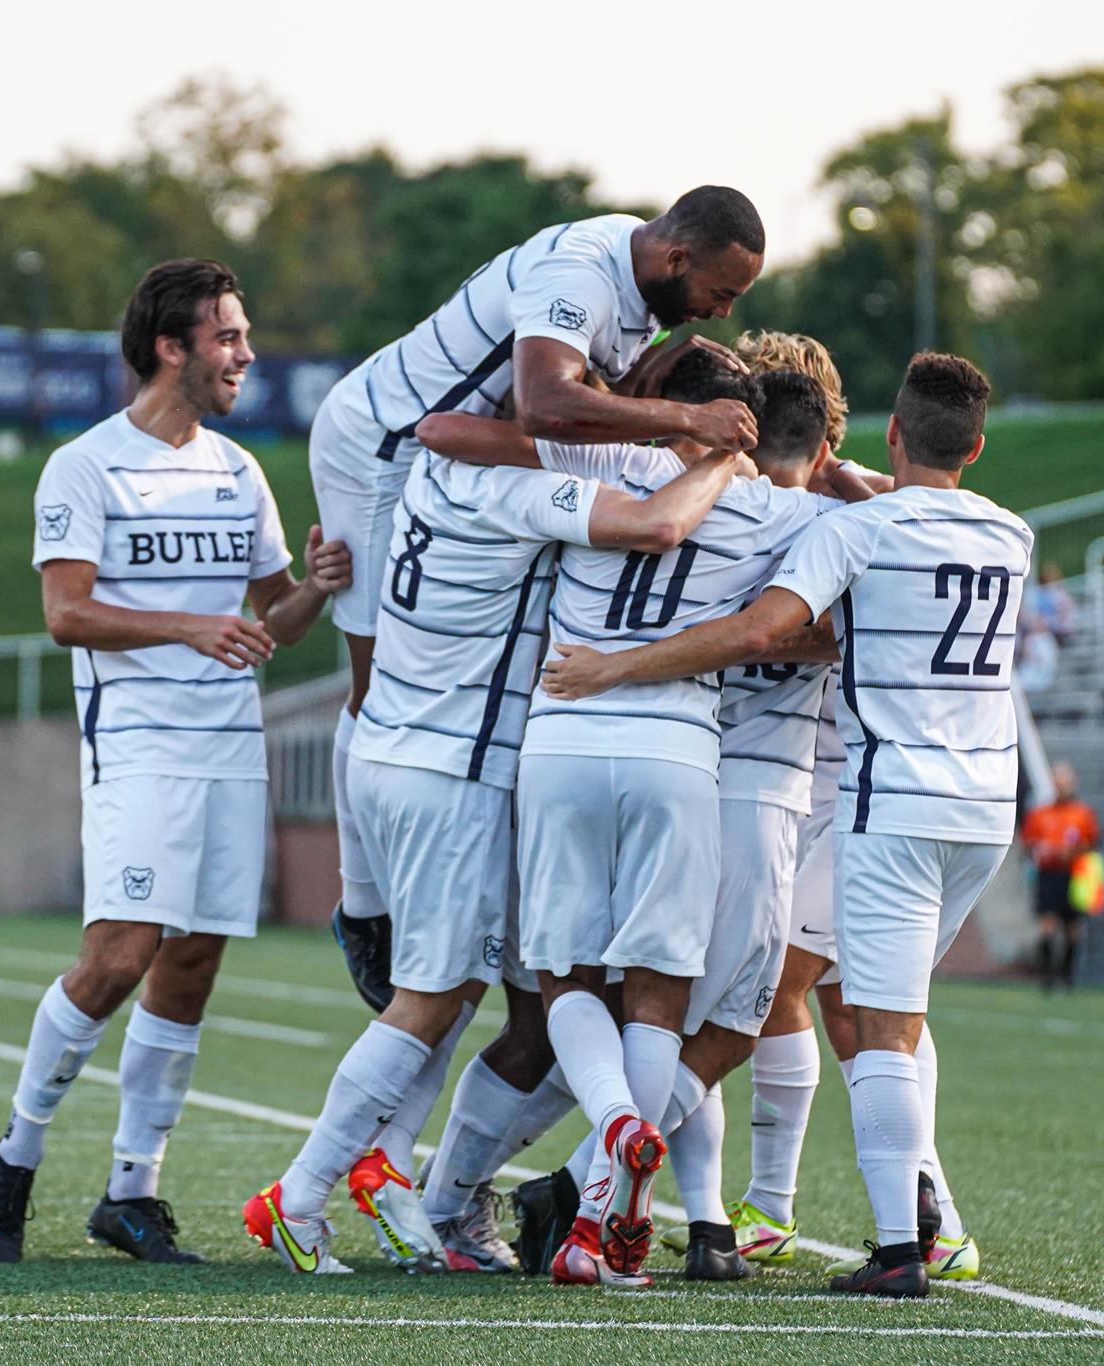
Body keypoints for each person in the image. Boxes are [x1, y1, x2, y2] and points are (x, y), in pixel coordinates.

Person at [541, 352, 1032, 1299]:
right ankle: (912, 1217)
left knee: (866, 1021)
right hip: (986, 808)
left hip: (888, 799)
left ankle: (900, 1247)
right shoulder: (1012, 532)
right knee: (875, 1013)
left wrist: (615, 666)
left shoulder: (852, 532)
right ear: (974, 445)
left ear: (893, 432)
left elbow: (763, 629)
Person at [241, 389, 751, 1279]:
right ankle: (299, 1193)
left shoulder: (433, 460)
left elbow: (444, 424)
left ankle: (391, 1170)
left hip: (395, 746)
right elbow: (656, 525)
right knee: (434, 998)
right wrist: (715, 449)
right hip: (449, 770)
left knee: (469, 990)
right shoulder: (510, 486)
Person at [418, 353, 862, 1287]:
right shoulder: (798, 518)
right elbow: (883, 541)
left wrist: (652, 423)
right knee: (676, 1004)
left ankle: (614, 1129)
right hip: (689, 763)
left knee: (567, 979)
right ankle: (602, 1204)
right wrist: (817, 469)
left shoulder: (600, 467)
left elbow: (442, 429)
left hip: (561, 740)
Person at [0, 259, 350, 1265]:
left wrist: (311, 588)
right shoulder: (85, 465)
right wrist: (190, 625)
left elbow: (273, 618)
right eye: (227, 336)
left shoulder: (238, 469)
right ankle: (15, 1152)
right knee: (117, 960)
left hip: (231, 746)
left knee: (192, 960)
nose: (246, 353)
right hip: (136, 744)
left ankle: (131, 1190)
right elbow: (65, 613)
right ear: (171, 347)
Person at [304, 187, 766, 1010]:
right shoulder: (583, 274)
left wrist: (660, 406)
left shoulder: (644, 285)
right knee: (377, 677)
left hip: (452, 440)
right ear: (675, 258)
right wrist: (683, 414)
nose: (722, 315)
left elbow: (558, 411)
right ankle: (362, 903)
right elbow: (547, 405)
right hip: (385, 445)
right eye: (720, 294)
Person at [1020, 762, 1101, 992]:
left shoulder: (1083, 813)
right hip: (1048, 874)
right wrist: (1041, 850)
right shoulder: (1041, 813)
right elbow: (1028, 843)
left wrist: (1072, 851)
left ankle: (1067, 977)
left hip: (1074, 875)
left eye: (1065, 781)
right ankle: (1046, 978)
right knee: (1046, 924)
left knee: (1073, 927)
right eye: (1057, 781)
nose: (1061, 786)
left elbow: (1093, 843)